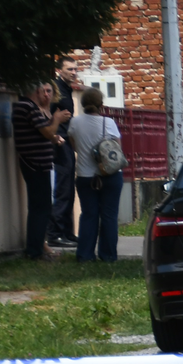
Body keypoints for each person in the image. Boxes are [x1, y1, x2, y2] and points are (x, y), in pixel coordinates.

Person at [12, 83, 69, 260]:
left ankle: (36, 247)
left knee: (40, 207)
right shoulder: (27, 107)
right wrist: (57, 119)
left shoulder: (30, 107)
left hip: (39, 163)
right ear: (36, 91)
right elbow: (47, 131)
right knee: (41, 208)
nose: (45, 94)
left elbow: (44, 133)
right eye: (42, 90)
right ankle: (35, 251)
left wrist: (53, 135)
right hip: (34, 164)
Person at [68, 86, 124, 262]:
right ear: (101, 104)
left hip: (85, 176)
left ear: (83, 103)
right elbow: (117, 150)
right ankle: (108, 255)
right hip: (110, 176)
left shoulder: (75, 122)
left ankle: (85, 255)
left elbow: (73, 145)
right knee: (109, 216)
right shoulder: (109, 123)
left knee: (88, 215)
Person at [49, 58, 81, 245]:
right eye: (69, 69)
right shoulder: (55, 89)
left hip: (67, 142)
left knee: (69, 188)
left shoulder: (67, 89)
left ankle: (67, 232)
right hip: (59, 143)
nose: (73, 72)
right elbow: (48, 115)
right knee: (62, 189)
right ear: (59, 70)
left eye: (75, 69)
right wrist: (55, 135)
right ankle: (55, 234)